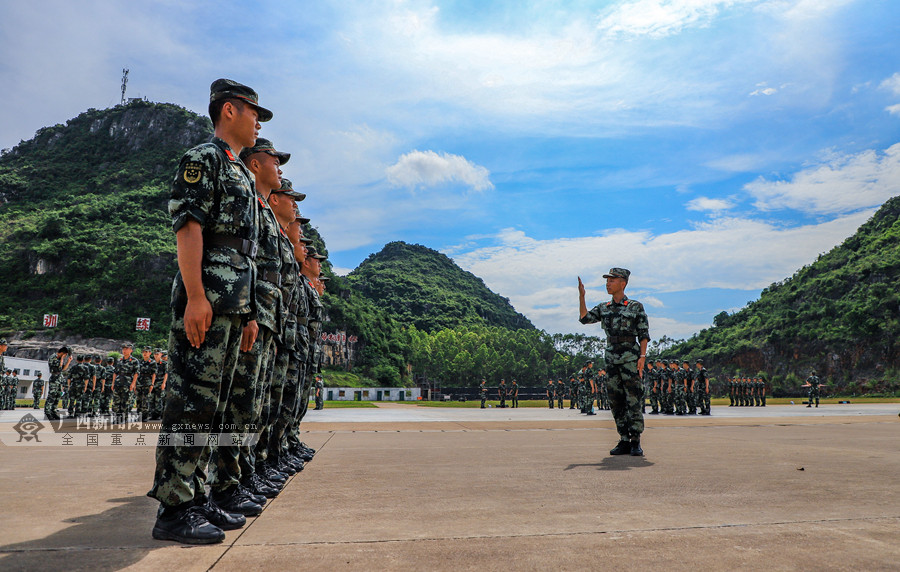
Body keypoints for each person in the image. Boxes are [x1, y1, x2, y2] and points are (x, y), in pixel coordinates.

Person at [148, 78, 273, 545]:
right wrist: (197, 296)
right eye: (254, 111)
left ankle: (199, 496)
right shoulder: (203, 159)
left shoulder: (239, 170)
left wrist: (251, 313)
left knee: (216, 407)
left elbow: (249, 252)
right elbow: (189, 227)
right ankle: (175, 508)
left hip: (234, 306)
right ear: (228, 111)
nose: (258, 120)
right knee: (191, 404)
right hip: (208, 300)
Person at [578, 268, 649, 456]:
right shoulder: (604, 307)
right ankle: (624, 439)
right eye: (607, 280)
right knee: (616, 401)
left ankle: (635, 440)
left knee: (633, 399)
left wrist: (642, 357)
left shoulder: (635, 306)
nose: (608, 283)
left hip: (630, 359)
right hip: (611, 359)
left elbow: (643, 334)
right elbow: (585, 319)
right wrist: (582, 297)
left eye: (612, 280)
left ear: (623, 283)